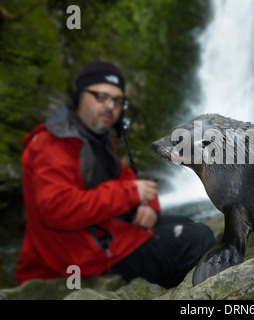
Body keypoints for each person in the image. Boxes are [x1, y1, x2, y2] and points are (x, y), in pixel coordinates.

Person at [16, 61, 215, 288]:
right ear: (80, 95)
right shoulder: (51, 143)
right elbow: (57, 208)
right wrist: (130, 194)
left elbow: (133, 184)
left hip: (103, 238)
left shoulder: (96, 139)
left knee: (187, 224)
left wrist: (148, 208)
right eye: (101, 96)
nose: (110, 106)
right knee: (196, 239)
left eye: (117, 100)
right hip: (74, 257)